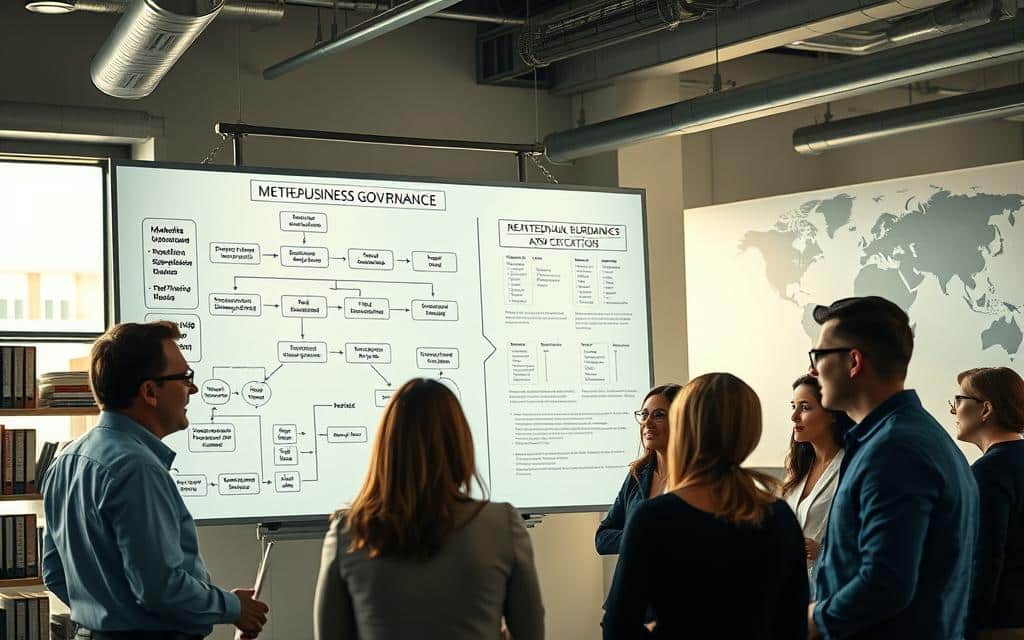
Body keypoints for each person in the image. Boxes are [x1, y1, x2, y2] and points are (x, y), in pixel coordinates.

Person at [41, 321, 269, 640]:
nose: (193, 389)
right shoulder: (136, 468)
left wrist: (109, 612)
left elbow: (54, 573)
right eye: (184, 378)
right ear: (149, 392)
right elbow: (160, 588)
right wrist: (233, 607)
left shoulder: (66, 460)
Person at [313, 378, 544, 640]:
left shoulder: (348, 533)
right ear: (460, 444)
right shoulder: (502, 525)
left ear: (387, 448)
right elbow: (532, 633)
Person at [807, 296, 978, 640]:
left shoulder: (894, 450)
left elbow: (886, 584)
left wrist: (812, 621)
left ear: (853, 361)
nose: (813, 370)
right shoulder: (911, 436)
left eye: (819, 356)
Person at [602, 373, 808, 639]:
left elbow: (619, 628)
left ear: (684, 428)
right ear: (750, 431)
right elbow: (793, 625)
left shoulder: (654, 519)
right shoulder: (778, 516)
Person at [951, 367, 1024, 639]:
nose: (953, 410)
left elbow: (983, 561)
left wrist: (964, 628)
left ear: (985, 410)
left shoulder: (988, 473)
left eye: (959, 401)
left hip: (998, 626)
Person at [782, 375, 852, 598]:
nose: (794, 416)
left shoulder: (851, 466)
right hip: (791, 590)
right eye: (793, 406)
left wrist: (823, 551)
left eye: (805, 407)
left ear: (831, 413)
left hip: (833, 592)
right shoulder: (798, 468)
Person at [596, 384, 682, 555]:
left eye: (659, 415)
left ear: (680, 420)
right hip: (636, 578)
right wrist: (641, 539)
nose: (647, 423)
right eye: (644, 415)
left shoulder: (695, 477)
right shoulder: (638, 474)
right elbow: (602, 538)